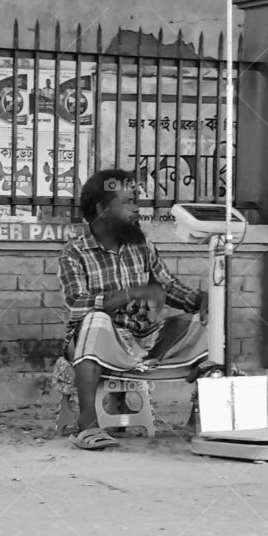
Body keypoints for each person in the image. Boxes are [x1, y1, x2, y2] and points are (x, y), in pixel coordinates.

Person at [58, 168, 211, 450]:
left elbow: (170, 288)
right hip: (96, 343)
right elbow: (75, 305)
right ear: (103, 208)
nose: (137, 209)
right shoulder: (74, 252)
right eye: (128, 201)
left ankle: (203, 420)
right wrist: (128, 294)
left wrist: (203, 299)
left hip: (145, 341)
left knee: (209, 323)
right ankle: (87, 425)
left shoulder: (142, 246)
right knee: (95, 321)